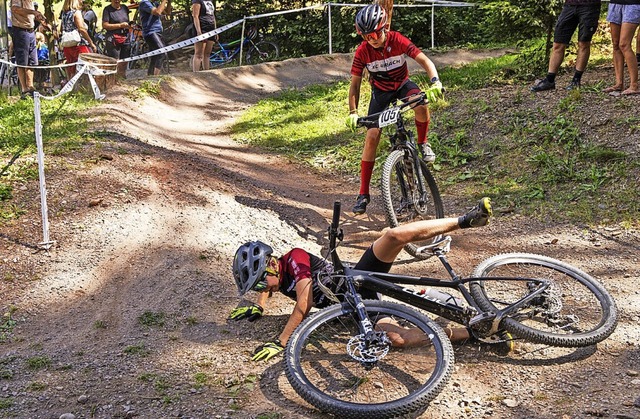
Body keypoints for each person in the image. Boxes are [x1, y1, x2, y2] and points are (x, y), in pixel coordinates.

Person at [230, 197, 494, 362]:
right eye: (257, 287)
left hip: (359, 278)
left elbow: (304, 303)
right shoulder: (275, 274)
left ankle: (466, 220)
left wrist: (282, 341)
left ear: (272, 264)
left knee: (392, 236)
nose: (263, 289)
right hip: (359, 306)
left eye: (261, 283)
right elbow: (273, 286)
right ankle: (473, 331)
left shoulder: (294, 258)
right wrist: (259, 305)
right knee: (397, 339)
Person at [345, 4, 444, 215]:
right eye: (365, 36)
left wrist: (435, 82)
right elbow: (354, 85)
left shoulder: (397, 40)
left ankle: (423, 143)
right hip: (380, 93)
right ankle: (363, 194)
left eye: (374, 34)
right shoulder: (363, 51)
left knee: (421, 103)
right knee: (371, 136)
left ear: (385, 27)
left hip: (401, 85)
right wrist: (353, 113)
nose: (371, 39)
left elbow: (425, 60)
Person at [530, 0, 602, 92]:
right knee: (558, 43)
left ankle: (576, 80)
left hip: (590, 6)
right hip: (569, 5)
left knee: (584, 43)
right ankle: (550, 80)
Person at [10, 0, 46, 98]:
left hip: (31, 31)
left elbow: (29, 14)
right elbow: (15, 9)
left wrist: (38, 18)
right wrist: (33, 12)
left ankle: (30, 86)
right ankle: (24, 88)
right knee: (22, 61)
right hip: (20, 31)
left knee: (32, 61)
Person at [604, 0, 640, 95]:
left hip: (633, 4)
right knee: (616, 44)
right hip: (615, 3)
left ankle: (634, 85)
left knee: (624, 44)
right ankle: (619, 83)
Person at [59, 0, 96, 80]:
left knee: (72, 68)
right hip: (79, 44)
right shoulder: (76, 13)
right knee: (87, 66)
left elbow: (61, 29)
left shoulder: (64, 14)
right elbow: (82, 29)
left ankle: (71, 88)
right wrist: (91, 42)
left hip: (67, 44)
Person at [138, 0, 169, 76]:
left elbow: (167, 12)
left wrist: (169, 2)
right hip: (150, 32)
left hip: (157, 31)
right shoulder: (145, 2)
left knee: (155, 56)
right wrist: (164, 1)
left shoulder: (155, 4)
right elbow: (157, 12)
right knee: (162, 53)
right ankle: (156, 77)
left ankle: (150, 76)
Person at [101, 0, 131, 79]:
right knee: (115, 61)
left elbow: (127, 21)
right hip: (113, 39)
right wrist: (120, 25)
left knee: (124, 60)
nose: (117, 1)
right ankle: (114, 79)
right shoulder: (107, 10)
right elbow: (105, 25)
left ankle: (122, 77)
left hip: (125, 37)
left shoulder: (124, 8)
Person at [190, 0, 216, 72]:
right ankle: (196, 73)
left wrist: (216, 31)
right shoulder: (197, 1)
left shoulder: (210, 1)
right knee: (199, 54)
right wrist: (199, 31)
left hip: (211, 28)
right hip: (201, 27)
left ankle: (207, 73)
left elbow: (213, 16)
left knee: (207, 53)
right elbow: (195, 16)